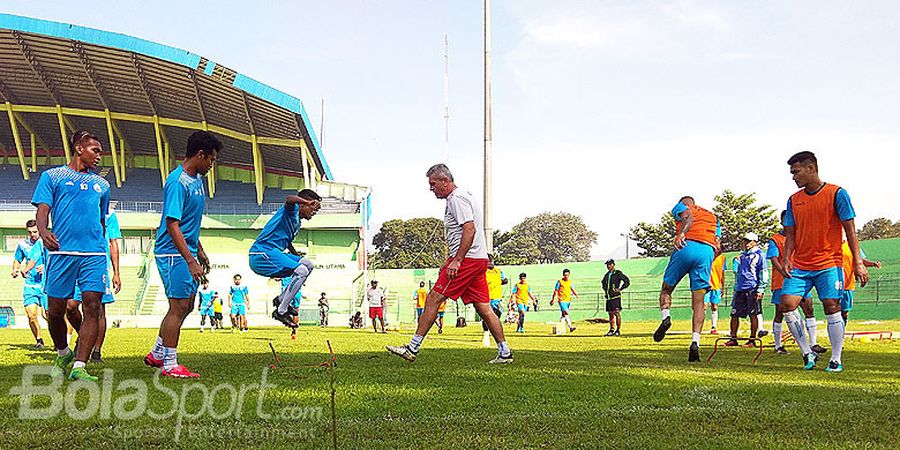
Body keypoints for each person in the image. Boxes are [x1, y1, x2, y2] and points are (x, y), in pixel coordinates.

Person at [387, 164, 512, 363]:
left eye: (433, 184)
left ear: (445, 181)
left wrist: (458, 260)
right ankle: (505, 351)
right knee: (484, 308)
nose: (431, 188)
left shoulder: (457, 199)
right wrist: (451, 258)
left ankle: (412, 347)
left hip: (468, 260)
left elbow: (469, 230)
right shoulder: (463, 196)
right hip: (478, 259)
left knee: (434, 298)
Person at [32, 130, 111, 381]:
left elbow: (101, 220)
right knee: (55, 311)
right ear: (79, 149)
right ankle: (63, 352)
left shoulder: (103, 185)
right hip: (61, 251)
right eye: (95, 150)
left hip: (94, 254)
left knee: (92, 306)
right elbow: (43, 210)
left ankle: (79, 366)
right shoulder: (52, 177)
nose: (99, 155)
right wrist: (44, 231)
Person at [779, 151, 866, 373]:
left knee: (832, 306)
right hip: (800, 265)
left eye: (796, 172)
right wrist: (788, 258)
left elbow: (850, 230)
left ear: (811, 169)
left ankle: (835, 359)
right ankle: (807, 353)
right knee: (787, 304)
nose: (793, 177)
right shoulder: (793, 200)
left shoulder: (837, 193)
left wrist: (858, 262)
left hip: (829, 262)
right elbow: (790, 234)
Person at [145, 131, 220, 378]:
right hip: (172, 254)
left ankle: (157, 353)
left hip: (186, 251)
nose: (211, 165)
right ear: (200, 155)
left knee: (187, 304)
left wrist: (199, 251)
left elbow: (189, 223)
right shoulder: (178, 183)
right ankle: (170, 364)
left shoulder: (196, 180)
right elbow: (172, 224)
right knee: (177, 307)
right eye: (210, 160)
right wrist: (190, 260)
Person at [653, 196, 721, 363]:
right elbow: (718, 245)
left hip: (686, 246)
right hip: (706, 252)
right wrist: (709, 257)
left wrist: (681, 234)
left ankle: (666, 317)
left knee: (666, 289)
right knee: (699, 302)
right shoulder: (712, 216)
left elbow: (687, 217)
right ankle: (695, 342)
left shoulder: (681, 206)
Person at [248, 190, 322, 328]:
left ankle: (281, 299)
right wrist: (306, 201)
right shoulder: (291, 210)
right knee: (301, 271)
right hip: (260, 254)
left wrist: (296, 255)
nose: (314, 212)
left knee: (308, 265)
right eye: (312, 208)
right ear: (302, 205)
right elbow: (289, 199)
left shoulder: (297, 223)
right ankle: (281, 311)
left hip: (273, 253)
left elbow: (286, 241)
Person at [70, 201, 122, 363]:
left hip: (99, 265)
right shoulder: (77, 208)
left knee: (98, 309)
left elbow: (113, 242)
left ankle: (96, 351)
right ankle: (85, 337)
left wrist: (116, 272)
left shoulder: (109, 215)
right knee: (70, 306)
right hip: (76, 262)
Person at [767, 212, 824, 355]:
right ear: (781, 222)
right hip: (782, 282)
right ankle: (778, 345)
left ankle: (813, 344)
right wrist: (783, 272)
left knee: (809, 309)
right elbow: (774, 259)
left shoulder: (800, 237)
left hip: (801, 279)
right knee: (780, 312)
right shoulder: (776, 240)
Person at [725, 233, 767, 347]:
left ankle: (752, 340)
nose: (746, 244)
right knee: (734, 314)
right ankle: (733, 338)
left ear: (755, 242)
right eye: (745, 241)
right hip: (739, 289)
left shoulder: (759, 255)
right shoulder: (742, 256)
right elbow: (737, 272)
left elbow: (763, 272)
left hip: (752, 289)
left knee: (753, 314)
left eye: (748, 241)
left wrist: (761, 289)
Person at [13, 220, 47, 349]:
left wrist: (45, 267)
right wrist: (15, 270)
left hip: (46, 284)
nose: (33, 235)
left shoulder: (46, 242)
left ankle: (60, 339)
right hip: (30, 285)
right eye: (30, 232)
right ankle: (39, 340)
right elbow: (17, 259)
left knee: (48, 315)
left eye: (35, 231)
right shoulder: (23, 245)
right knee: (31, 315)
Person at [840, 240, 880, 327]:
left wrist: (873, 264)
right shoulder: (830, 245)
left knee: (844, 311)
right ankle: (834, 334)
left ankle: (841, 333)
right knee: (832, 309)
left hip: (847, 284)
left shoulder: (851, 245)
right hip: (833, 284)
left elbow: (861, 261)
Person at [601, 259, 630, 336]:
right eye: (607, 265)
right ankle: (611, 329)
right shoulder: (606, 275)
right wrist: (606, 290)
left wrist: (620, 289)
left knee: (617, 313)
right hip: (609, 297)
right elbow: (603, 283)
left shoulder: (617, 273)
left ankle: (618, 330)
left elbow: (626, 281)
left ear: (613, 265)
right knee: (610, 314)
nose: (608, 266)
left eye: (610, 264)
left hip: (615, 297)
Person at [483, 259, 507, 346]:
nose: (489, 263)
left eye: (490, 261)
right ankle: (486, 334)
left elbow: (505, 280)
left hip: (496, 296)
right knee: (486, 315)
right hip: (486, 296)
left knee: (497, 314)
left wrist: (500, 282)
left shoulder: (498, 271)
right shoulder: (482, 271)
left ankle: (493, 332)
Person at [550, 268, 580, 333]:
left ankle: (560, 329)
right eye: (565, 275)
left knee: (563, 315)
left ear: (569, 275)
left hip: (568, 300)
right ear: (563, 275)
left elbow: (572, 289)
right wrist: (552, 299)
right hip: (561, 300)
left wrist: (576, 295)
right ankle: (570, 327)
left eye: (567, 275)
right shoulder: (559, 281)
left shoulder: (570, 282)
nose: (566, 276)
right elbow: (555, 291)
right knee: (566, 312)